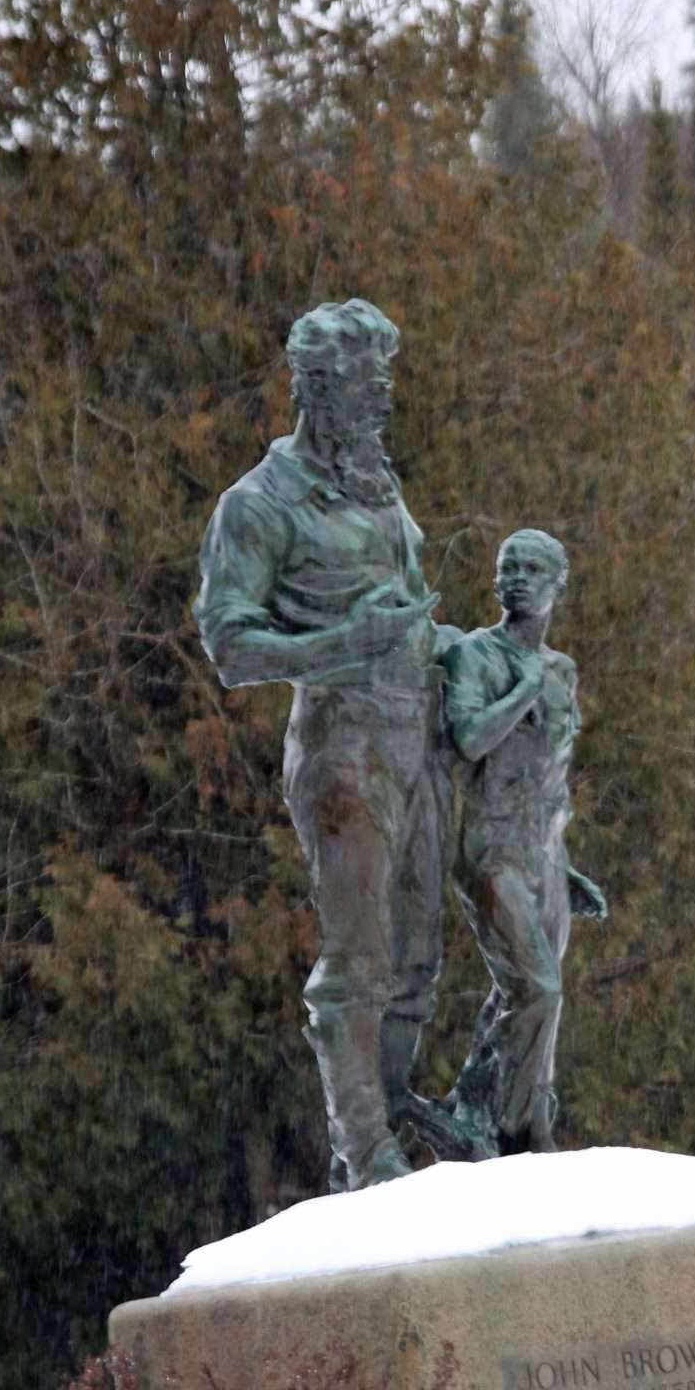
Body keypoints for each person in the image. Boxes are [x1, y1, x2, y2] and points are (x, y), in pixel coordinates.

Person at [195, 299, 443, 1190]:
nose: (379, 406)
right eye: (360, 390)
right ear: (314, 390)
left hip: (416, 736)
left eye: (384, 387)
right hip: (343, 749)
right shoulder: (257, 505)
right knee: (362, 955)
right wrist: (339, 647)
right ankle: (363, 1148)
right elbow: (229, 647)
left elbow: (406, 603)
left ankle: (393, 1113)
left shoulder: (376, 477)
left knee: (419, 957)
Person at [441, 529, 607, 1155]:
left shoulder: (564, 670)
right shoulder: (475, 657)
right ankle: (516, 1141)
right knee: (539, 988)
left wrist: (566, 868)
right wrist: (521, 691)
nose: (516, 578)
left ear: (557, 583)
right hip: (490, 850)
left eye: (531, 569)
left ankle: (494, 1112)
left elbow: (552, 778)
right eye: (508, 567)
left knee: (523, 997)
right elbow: (468, 741)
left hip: (545, 852)